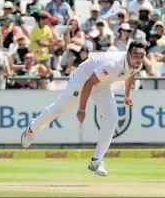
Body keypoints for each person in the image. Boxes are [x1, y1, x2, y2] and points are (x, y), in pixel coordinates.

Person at [21, 41, 146, 176]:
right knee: (58, 109)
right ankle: (31, 129)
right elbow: (89, 84)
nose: (138, 59)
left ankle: (96, 161)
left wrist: (127, 94)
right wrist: (81, 109)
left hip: (102, 84)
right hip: (82, 79)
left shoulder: (137, 63)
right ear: (128, 54)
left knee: (112, 117)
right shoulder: (113, 64)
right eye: (135, 55)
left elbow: (130, 74)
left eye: (141, 56)